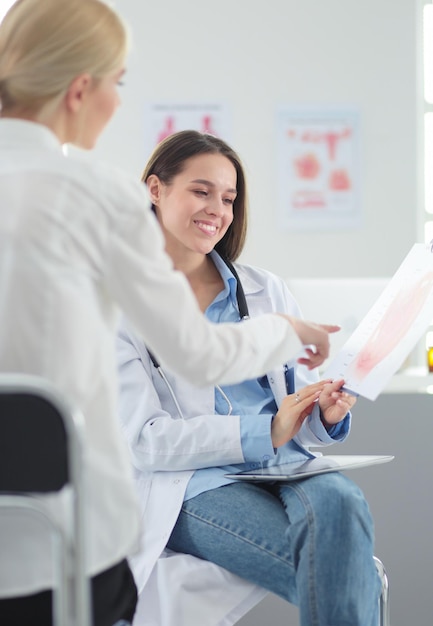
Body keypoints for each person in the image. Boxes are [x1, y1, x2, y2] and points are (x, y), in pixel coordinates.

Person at [0, 2, 339, 626]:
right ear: (80, 88)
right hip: (71, 543)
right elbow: (198, 353)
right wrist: (290, 332)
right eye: (118, 84)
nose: (118, 103)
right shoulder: (96, 197)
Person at [116, 130, 382, 626]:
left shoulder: (265, 290)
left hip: (284, 466)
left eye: (229, 197)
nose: (217, 208)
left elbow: (296, 411)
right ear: (155, 189)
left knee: (344, 498)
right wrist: (266, 431)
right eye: (201, 191)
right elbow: (145, 443)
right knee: (354, 574)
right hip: (189, 485)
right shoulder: (116, 304)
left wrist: (321, 414)